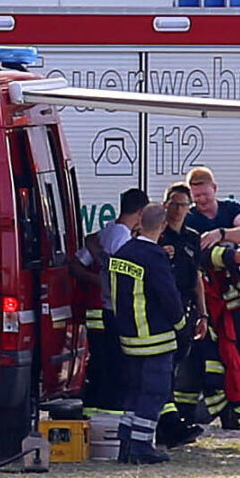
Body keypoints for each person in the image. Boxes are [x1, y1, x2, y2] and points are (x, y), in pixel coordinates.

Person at [182, 167, 240, 430]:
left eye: (204, 194)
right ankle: (217, 410)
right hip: (205, 297)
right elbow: (196, 257)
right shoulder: (190, 219)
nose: (201, 200)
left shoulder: (230, 208)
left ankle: (235, 407)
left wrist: (220, 235)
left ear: (214, 188)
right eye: (196, 196)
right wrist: (228, 255)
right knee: (213, 355)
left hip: (232, 295)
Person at [107, 200, 184, 464]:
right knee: (154, 392)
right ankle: (141, 446)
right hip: (155, 339)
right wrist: (182, 326)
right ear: (162, 226)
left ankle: (126, 444)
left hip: (128, 338)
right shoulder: (154, 257)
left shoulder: (122, 253)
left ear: (140, 222)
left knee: (134, 392)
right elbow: (169, 297)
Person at [77, 187, 146, 449]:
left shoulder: (106, 232)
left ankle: (93, 416)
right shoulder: (121, 237)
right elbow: (123, 273)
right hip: (114, 311)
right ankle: (111, 425)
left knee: (101, 367)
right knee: (118, 369)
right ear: (139, 213)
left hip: (103, 310)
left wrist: (99, 277)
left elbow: (77, 263)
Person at [157, 183, 208, 447]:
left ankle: (171, 421)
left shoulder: (192, 237)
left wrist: (203, 314)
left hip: (185, 310)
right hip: (162, 311)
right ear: (165, 205)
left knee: (175, 366)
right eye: (173, 204)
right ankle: (168, 425)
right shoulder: (157, 235)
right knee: (162, 369)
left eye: (183, 205)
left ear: (190, 208)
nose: (178, 210)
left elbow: (197, 277)